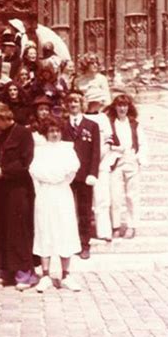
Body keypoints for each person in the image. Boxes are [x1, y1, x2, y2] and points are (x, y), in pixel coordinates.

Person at [0, 102, 37, 291]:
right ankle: (7, 271)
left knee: (18, 231)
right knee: (2, 229)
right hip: (2, 190)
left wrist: (3, 172)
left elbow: (26, 162)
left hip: (18, 189)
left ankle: (25, 273)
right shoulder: (1, 135)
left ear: (6, 117)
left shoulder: (23, 133)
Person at [30, 113, 82, 293]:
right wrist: (50, 178)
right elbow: (36, 171)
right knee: (45, 230)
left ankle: (66, 274)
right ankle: (45, 275)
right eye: (51, 131)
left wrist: (57, 177)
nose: (54, 134)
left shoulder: (68, 149)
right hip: (45, 193)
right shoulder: (39, 150)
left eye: (57, 130)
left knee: (65, 229)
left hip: (62, 192)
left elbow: (71, 171)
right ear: (45, 132)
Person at [61, 92, 101, 260]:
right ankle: (69, 243)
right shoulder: (62, 126)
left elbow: (95, 152)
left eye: (76, 101)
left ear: (82, 104)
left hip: (85, 175)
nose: (73, 104)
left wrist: (92, 173)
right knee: (67, 210)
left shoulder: (91, 125)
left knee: (84, 210)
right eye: (70, 101)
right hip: (67, 176)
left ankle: (85, 243)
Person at [105, 93, 148, 239]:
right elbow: (107, 142)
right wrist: (114, 150)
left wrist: (137, 157)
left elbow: (142, 144)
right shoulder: (110, 123)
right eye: (119, 105)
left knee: (132, 195)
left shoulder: (134, 124)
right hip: (116, 161)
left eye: (125, 105)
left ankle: (131, 226)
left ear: (129, 107)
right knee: (115, 196)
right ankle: (116, 226)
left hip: (131, 159)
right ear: (115, 107)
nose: (122, 108)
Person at [84, 88, 113, 241]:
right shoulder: (82, 118)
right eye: (95, 101)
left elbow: (109, 139)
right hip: (85, 164)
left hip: (101, 163)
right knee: (84, 200)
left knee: (102, 198)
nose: (98, 104)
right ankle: (85, 232)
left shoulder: (104, 118)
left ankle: (104, 231)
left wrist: (100, 155)